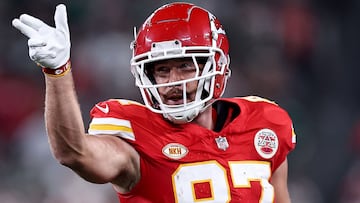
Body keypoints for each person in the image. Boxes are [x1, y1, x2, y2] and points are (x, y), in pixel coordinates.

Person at [12, 2, 296, 203]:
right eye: (161, 70)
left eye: (185, 66)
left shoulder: (266, 124)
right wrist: (58, 71)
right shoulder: (135, 137)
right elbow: (74, 153)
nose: (172, 80)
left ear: (217, 67)